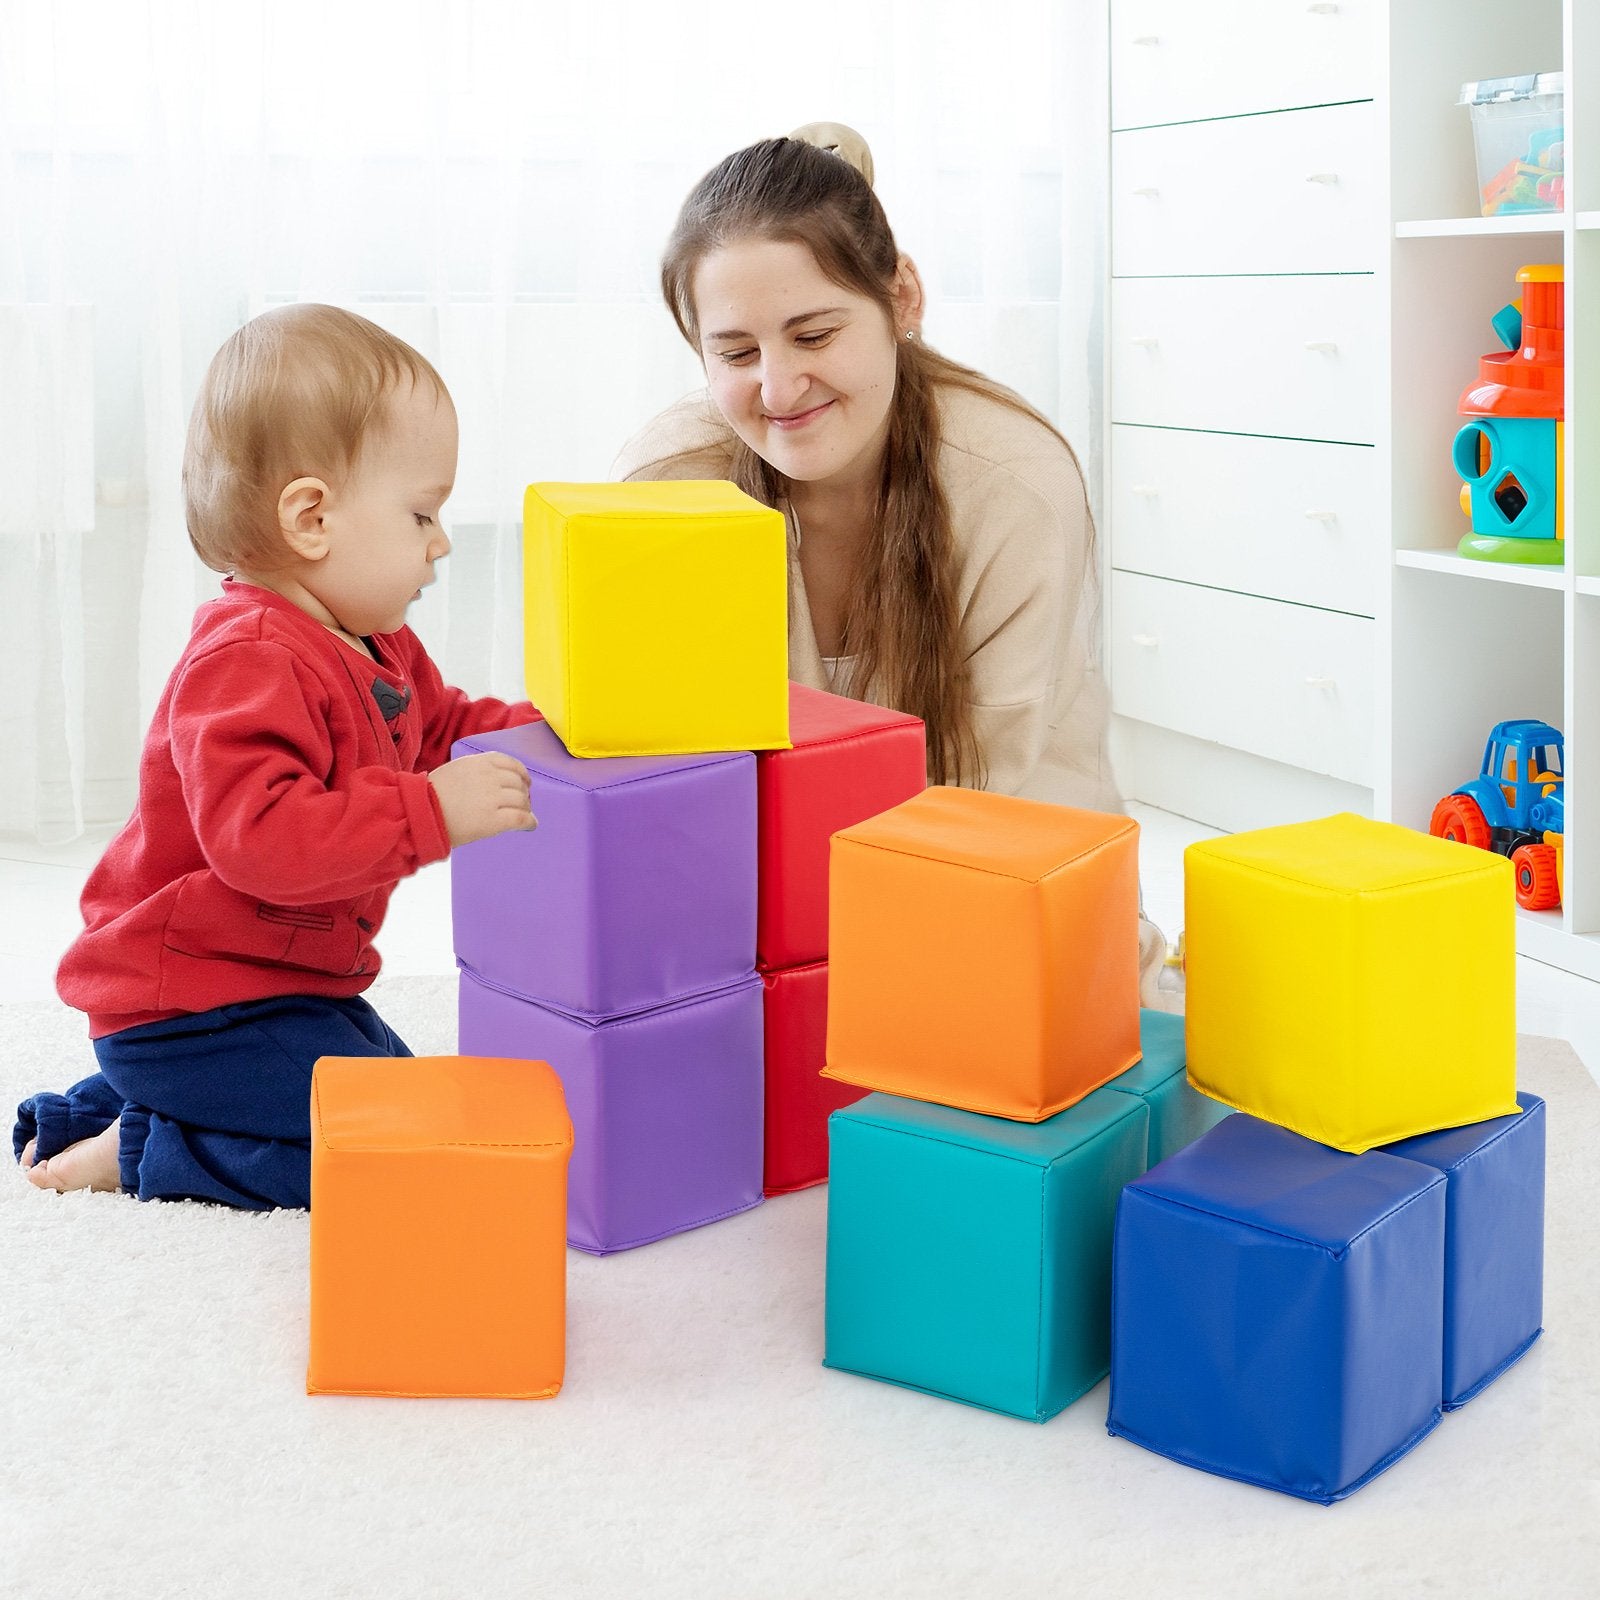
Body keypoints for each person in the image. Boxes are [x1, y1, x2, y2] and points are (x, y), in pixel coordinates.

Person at [614, 125, 1175, 1004]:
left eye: (814, 334)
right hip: (771, 909)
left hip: (1001, 878)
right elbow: (656, 778)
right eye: (735, 352)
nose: (777, 386)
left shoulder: (1012, 484)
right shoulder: (671, 483)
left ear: (902, 297)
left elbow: (995, 794)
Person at [14, 304, 540, 1206]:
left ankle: (89, 1114)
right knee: (391, 1151)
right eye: (422, 513)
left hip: (283, 984)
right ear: (311, 518)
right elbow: (262, 840)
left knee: (400, 1095)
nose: (440, 542)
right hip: (189, 1006)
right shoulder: (247, 659)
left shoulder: (377, 644)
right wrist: (433, 813)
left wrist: (551, 733)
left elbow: (446, 726)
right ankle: (147, 1145)